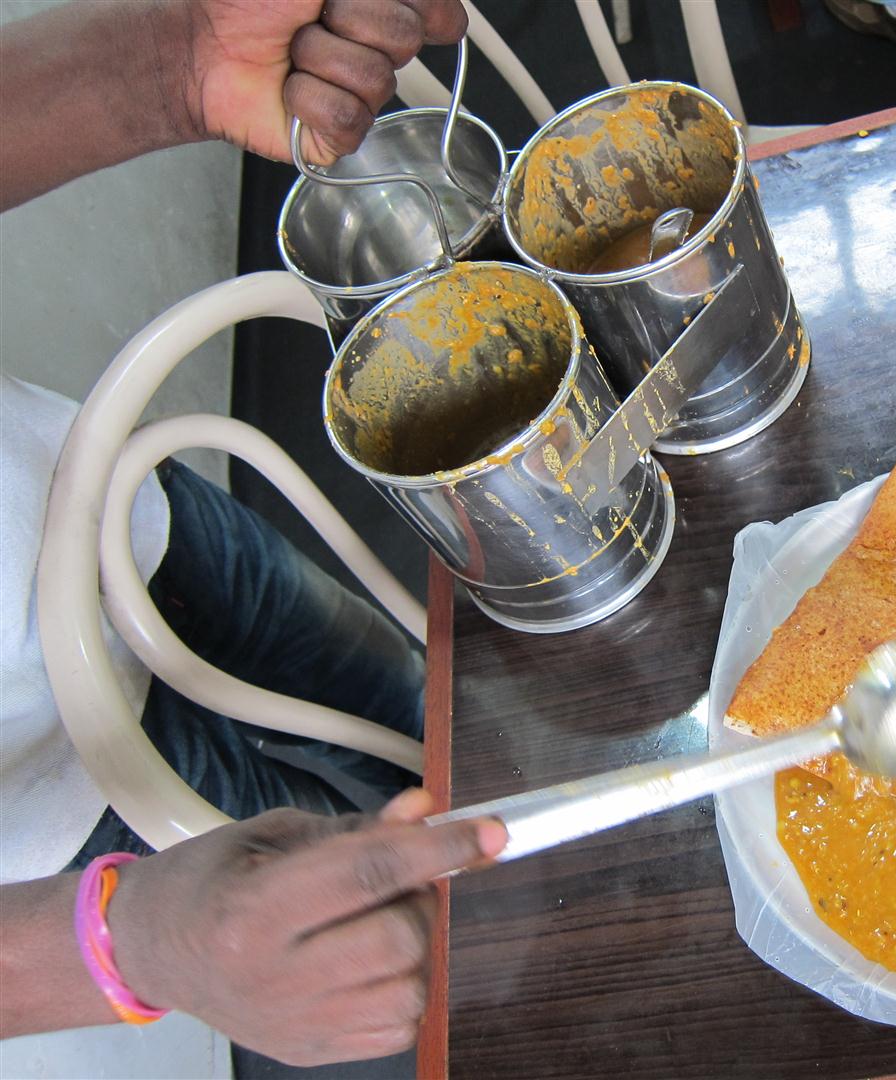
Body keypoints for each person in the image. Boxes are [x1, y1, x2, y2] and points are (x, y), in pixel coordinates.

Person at [0, 0, 506, 1066]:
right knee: (408, 918)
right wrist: (123, 944)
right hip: (67, 841)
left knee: (421, 710)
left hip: (111, 515)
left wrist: (184, 59)